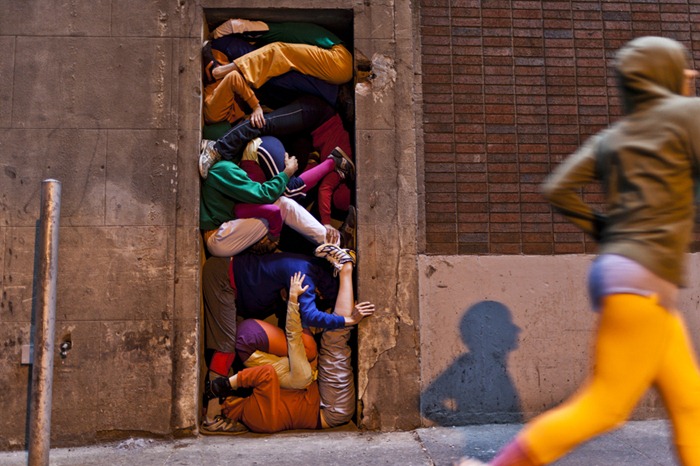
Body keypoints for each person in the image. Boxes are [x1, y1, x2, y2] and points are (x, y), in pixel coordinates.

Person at [458, 36, 700, 466]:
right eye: (682, 68)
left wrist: (605, 229)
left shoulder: (615, 137)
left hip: (629, 276)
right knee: (606, 406)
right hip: (641, 280)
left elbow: (559, 188)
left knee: (690, 404)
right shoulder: (687, 114)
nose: (691, 76)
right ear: (666, 73)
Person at [204, 259, 375, 434]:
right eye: (225, 405)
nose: (225, 404)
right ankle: (346, 268)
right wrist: (225, 384)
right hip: (331, 407)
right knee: (332, 340)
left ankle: (344, 275)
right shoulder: (256, 412)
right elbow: (268, 371)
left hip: (323, 404)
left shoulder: (254, 420)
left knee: (324, 343)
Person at [232, 136, 354, 252]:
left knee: (289, 193)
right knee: (294, 202)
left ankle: (334, 160)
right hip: (264, 161)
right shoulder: (264, 224)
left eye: (269, 241)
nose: (274, 240)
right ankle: (312, 163)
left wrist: (287, 171)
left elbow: (270, 200)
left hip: (257, 152)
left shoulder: (250, 219)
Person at [208, 19, 353, 89]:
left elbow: (279, 49)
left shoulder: (273, 30)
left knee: (279, 51)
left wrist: (219, 33)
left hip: (340, 61)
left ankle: (220, 71)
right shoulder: (288, 29)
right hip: (339, 61)